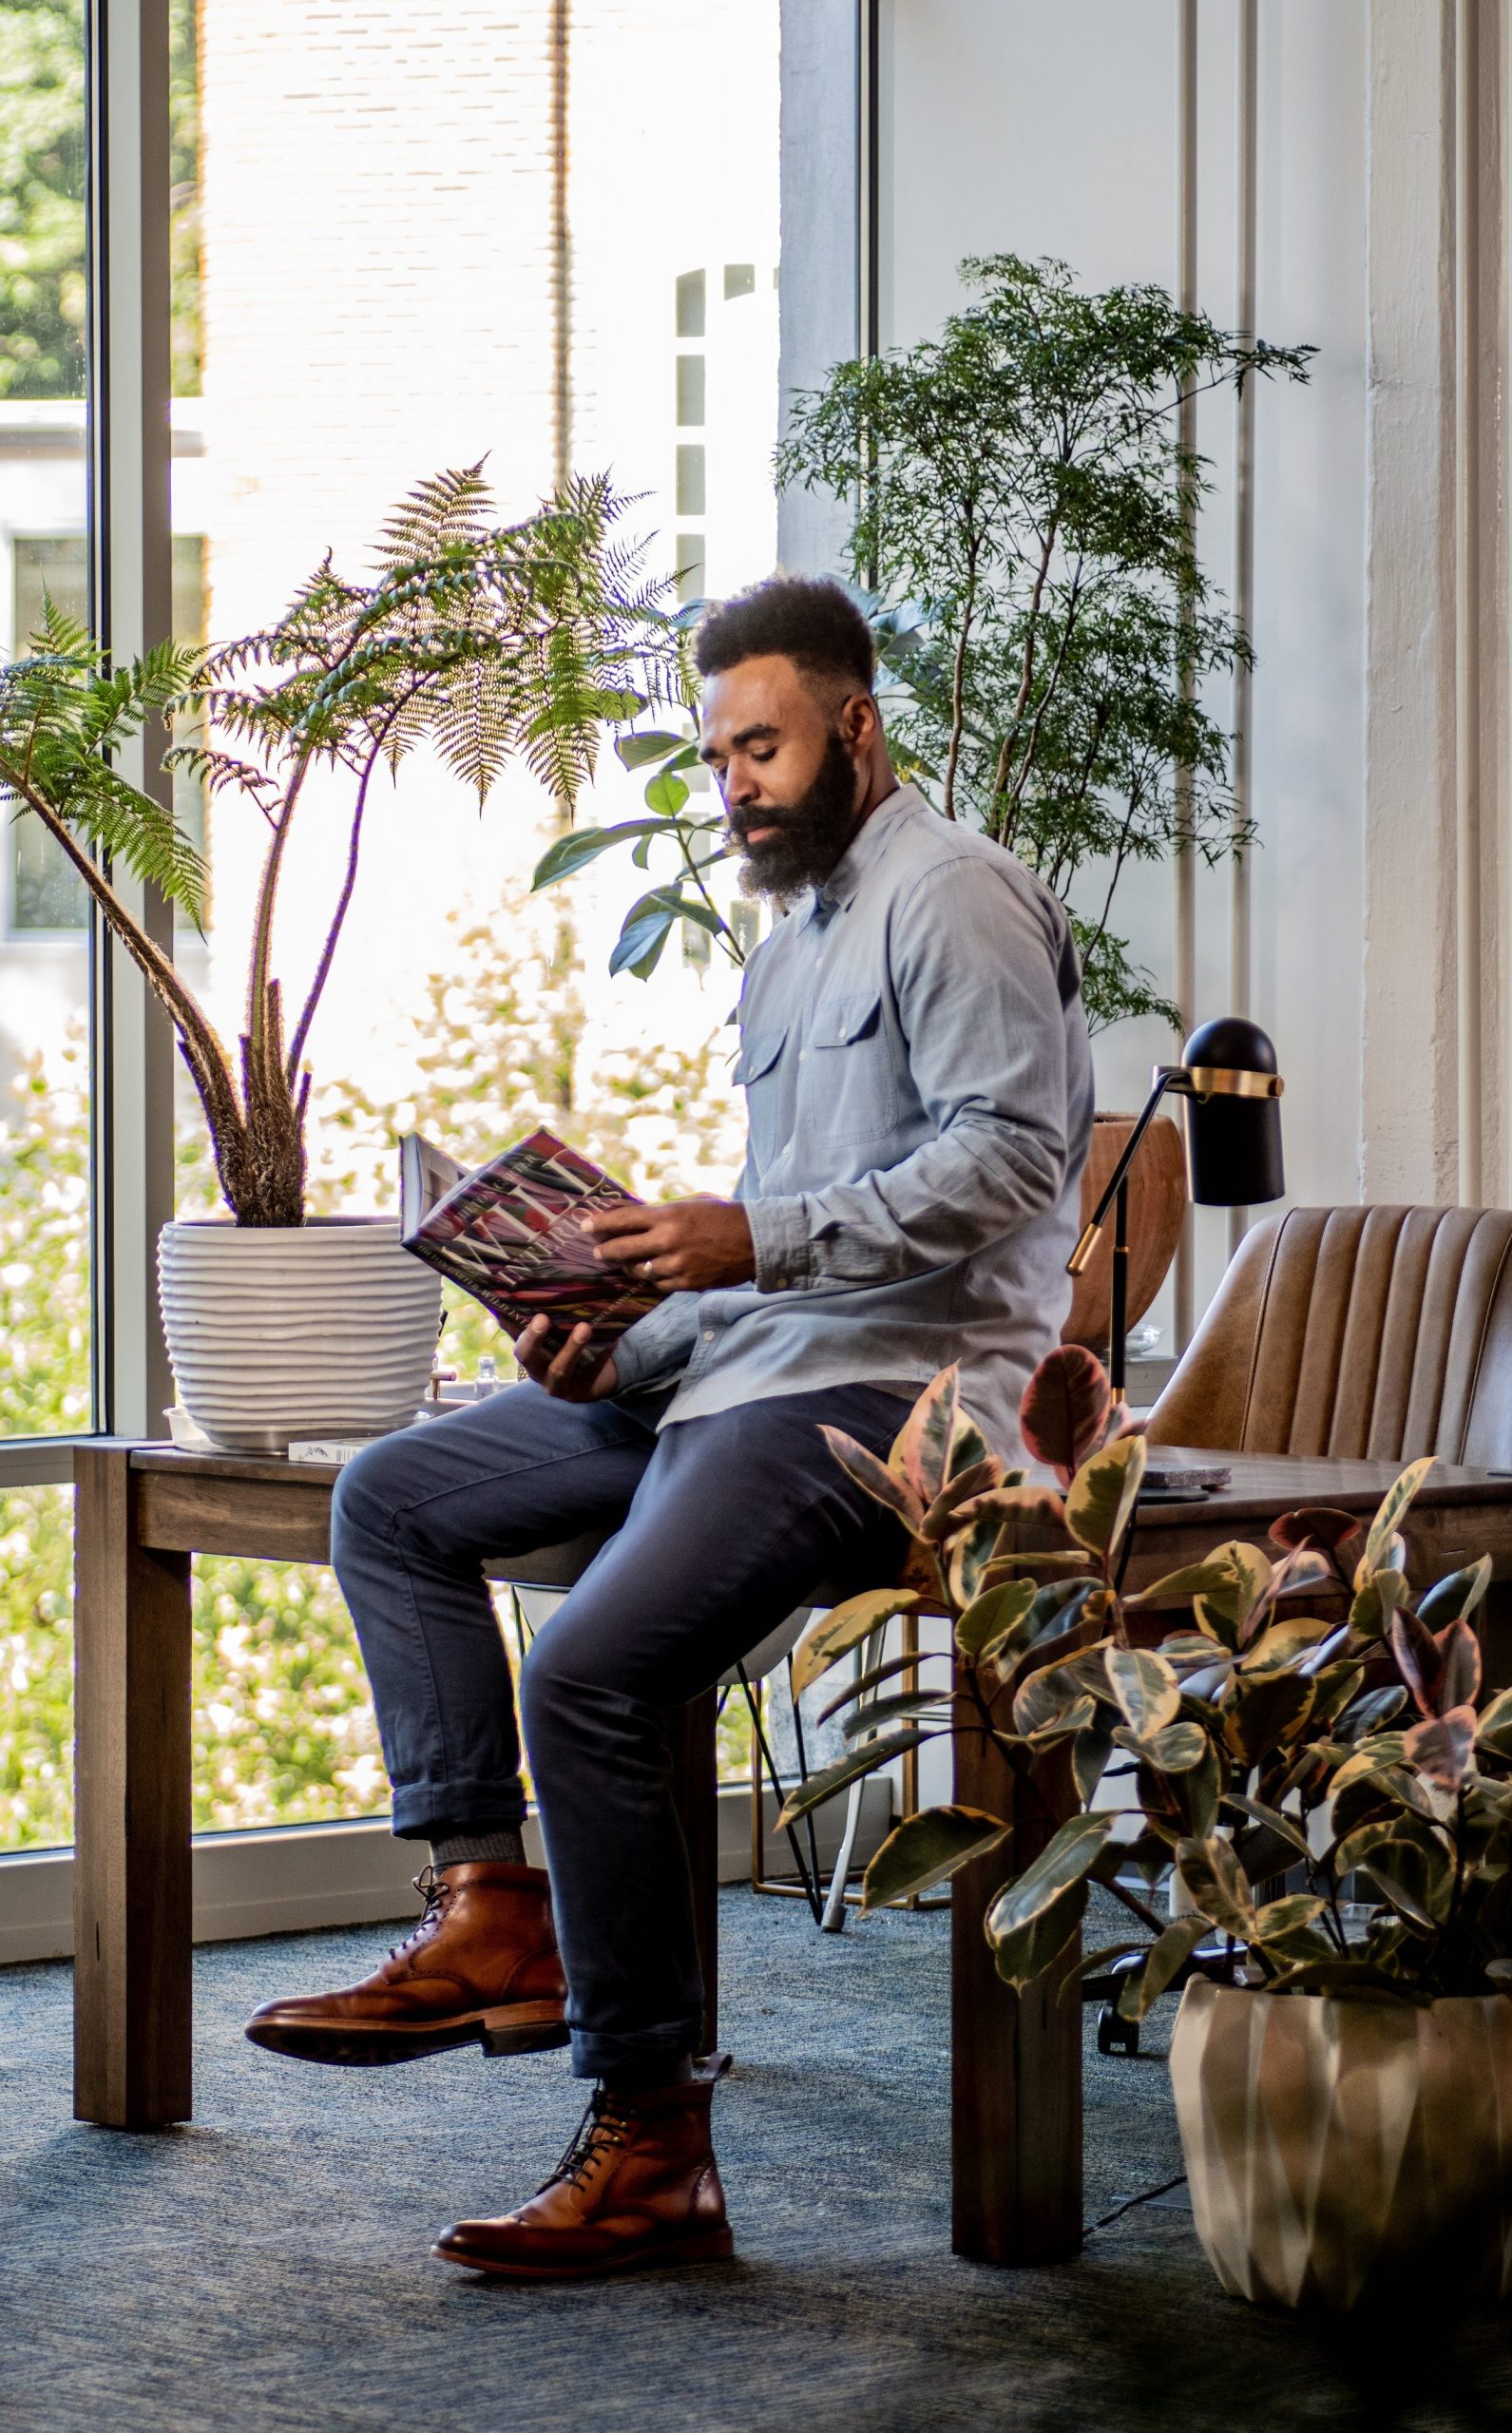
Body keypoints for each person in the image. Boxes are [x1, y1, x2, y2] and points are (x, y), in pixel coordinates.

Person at [243, 575, 1095, 2281]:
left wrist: (743, 1241)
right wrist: (617, 1340)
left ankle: (650, 2148)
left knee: (594, 1670)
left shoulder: (956, 899)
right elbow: (764, 1246)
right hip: (744, 1375)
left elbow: (1011, 1164)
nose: (735, 788)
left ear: (853, 723)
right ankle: (494, 1906)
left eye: (760, 747)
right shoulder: (789, 948)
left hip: (898, 1403)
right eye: (715, 757)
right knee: (399, 1498)